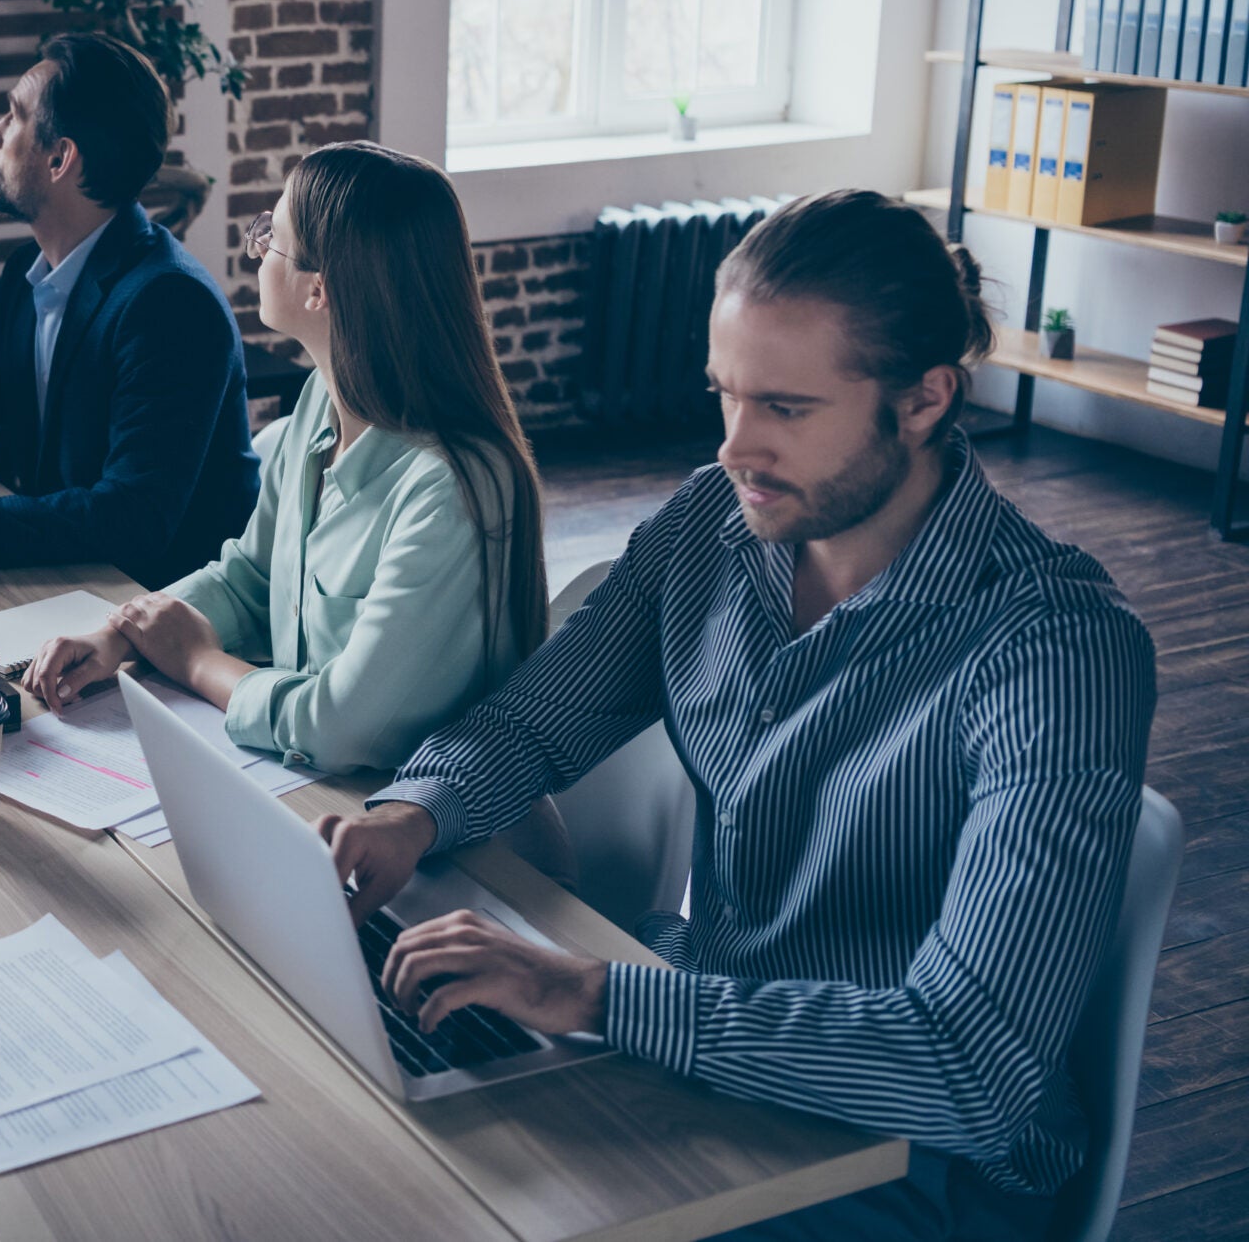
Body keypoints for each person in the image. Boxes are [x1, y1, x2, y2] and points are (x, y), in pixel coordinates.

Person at [318, 190, 1155, 1240]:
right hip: (710, 1046)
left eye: (785, 409)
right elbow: (534, 723)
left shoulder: (1053, 652)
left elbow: (965, 1067)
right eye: (725, 396)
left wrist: (594, 997)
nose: (733, 447)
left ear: (924, 400)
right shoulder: (713, 521)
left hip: (915, 1166)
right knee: (372, 1142)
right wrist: (412, 815)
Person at [20, 143, 546, 777]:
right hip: (315, 790)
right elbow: (252, 577)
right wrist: (124, 632)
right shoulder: (319, 401)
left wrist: (195, 662)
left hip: (419, 825)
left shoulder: (451, 489)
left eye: (273, 234)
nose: (259, 246)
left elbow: (339, 725)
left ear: (319, 290)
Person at [0, 32, 260, 588]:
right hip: (60, 575)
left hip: (151, 605)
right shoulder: (28, 271)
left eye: (13, 116)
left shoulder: (171, 304)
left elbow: (134, 520)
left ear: (60, 158)